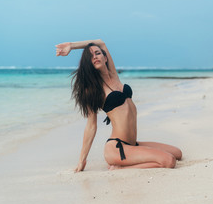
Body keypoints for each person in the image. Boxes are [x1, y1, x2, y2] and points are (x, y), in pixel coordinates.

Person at [55, 39, 182, 171]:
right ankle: (119, 168)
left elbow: (101, 42)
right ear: (89, 63)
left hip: (133, 145)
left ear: (105, 57)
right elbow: (91, 126)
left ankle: (129, 161)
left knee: (177, 153)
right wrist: (82, 160)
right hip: (117, 148)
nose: (95, 57)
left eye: (97, 53)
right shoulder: (93, 90)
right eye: (90, 56)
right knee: (169, 161)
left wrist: (71, 46)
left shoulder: (114, 76)